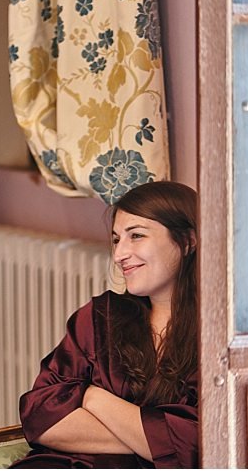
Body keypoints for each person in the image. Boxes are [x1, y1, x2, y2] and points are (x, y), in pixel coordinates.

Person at [16, 181, 199, 469]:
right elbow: (40, 416)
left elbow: (196, 445)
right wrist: (154, 442)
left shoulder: (215, 337)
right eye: (116, 240)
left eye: (136, 235)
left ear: (188, 241)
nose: (118, 255)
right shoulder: (101, 318)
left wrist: (92, 398)